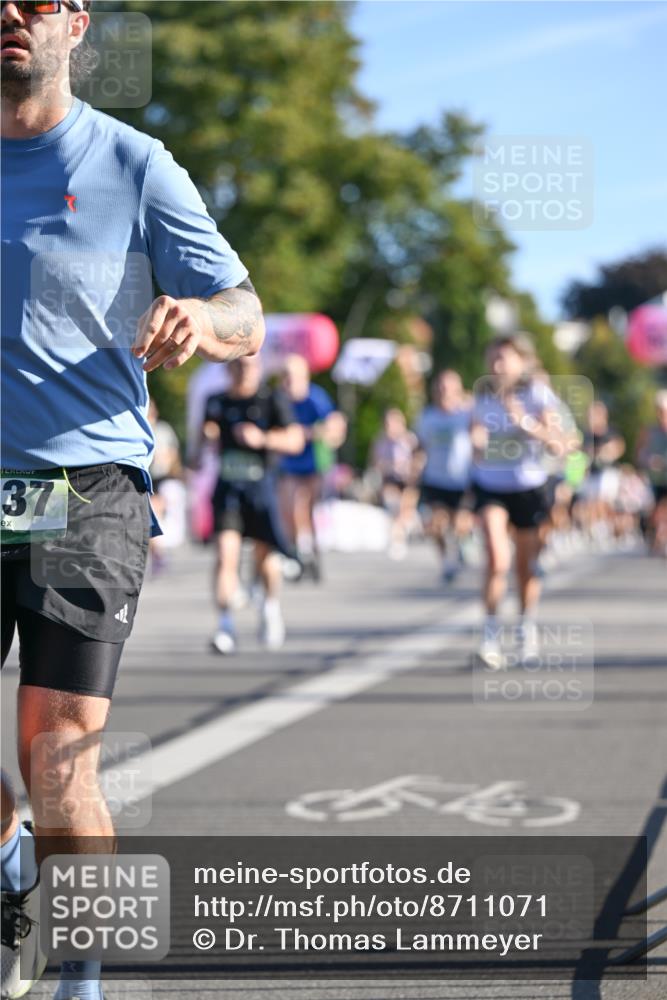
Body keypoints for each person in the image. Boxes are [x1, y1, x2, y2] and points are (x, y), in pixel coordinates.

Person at [0, 3, 264, 998]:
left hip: (87, 486)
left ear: (76, 24)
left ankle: (82, 977)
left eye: (34, 1)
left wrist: (202, 312)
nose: (11, 17)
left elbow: (247, 308)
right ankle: (11, 861)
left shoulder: (134, 164)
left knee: (57, 755)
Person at [470, 333, 568, 669]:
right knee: (497, 559)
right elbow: (475, 436)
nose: (497, 366)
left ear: (520, 362)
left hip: (529, 486)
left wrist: (523, 422)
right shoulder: (481, 396)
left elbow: (558, 443)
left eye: (504, 359)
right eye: (493, 359)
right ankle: (489, 635)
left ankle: (526, 627)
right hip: (491, 486)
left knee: (525, 567)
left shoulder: (537, 394)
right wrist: (477, 442)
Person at [201, 356, 304, 655]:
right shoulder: (216, 401)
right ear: (228, 369)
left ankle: (270, 607)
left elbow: (295, 440)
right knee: (225, 555)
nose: (245, 371)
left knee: (266, 558)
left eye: (251, 366)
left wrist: (262, 438)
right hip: (228, 488)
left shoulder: (272, 400)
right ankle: (224, 625)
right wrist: (205, 443)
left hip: (261, 489)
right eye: (238, 366)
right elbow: (203, 440)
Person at [278, 354, 347, 581]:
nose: (289, 382)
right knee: (291, 507)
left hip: (314, 462)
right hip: (289, 462)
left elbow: (333, 426)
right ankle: (300, 551)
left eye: (293, 377)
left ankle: (312, 551)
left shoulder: (316, 399)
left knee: (309, 508)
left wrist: (309, 434)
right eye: (285, 377)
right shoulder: (279, 400)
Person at [413, 370, 473, 582]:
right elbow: (420, 446)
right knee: (435, 525)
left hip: (462, 479)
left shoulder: (466, 414)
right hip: (435, 478)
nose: (443, 392)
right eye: (440, 388)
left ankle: (459, 547)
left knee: (460, 525)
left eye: (448, 388)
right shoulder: (427, 417)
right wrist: (414, 467)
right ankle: (446, 562)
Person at [370, 408, 419, 560]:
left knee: (405, 510)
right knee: (393, 507)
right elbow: (376, 463)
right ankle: (398, 540)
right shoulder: (381, 441)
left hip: (409, 480)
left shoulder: (410, 439)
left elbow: (418, 459)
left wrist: (412, 471)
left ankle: (407, 526)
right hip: (391, 478)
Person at [147, 397, 182, 574]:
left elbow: (173, 455)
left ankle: (158, 551)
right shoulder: (137, 430)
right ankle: (157, 551)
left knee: (152, 513)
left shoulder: (162, 430)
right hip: (146, 478)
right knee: (150, 514)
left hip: (162, 479)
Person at [636, 390, 667, 556]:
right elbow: (640, 452)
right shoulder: (649, 431)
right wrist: (648, 461)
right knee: (656, 509)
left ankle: (662, 537)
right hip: (655, 478)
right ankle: (655, 536)